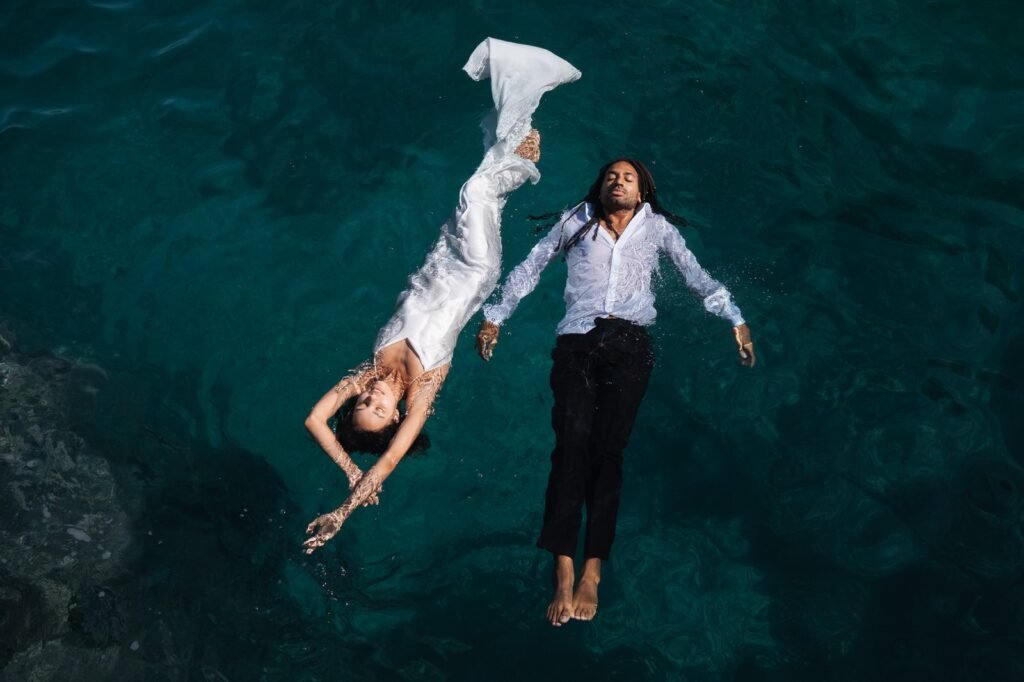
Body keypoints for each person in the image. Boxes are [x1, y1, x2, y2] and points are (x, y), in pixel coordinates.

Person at [303, 39, 580, 554]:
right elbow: (385, 465)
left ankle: (518, 145)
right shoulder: (423, 390)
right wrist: (345, 510)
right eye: (379, 410)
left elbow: (315, 419)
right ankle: (528, 96)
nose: (372, 397)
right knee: (476, 191)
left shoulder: (369, 371)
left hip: (441, 253)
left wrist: (344, 465)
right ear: (395, 419)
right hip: (475, 269)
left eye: (363, 403)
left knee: (484, 185)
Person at [475, 158, 755, 624]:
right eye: (611, 176)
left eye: (628, 178)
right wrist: (496, 313)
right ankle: (562, 565)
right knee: (570, 448)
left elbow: (695, 274)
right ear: (600, 187)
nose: (618, 181)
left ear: (642, 192)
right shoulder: (576, 221)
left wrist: (735, 318)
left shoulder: (658, 228)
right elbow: (533, 263)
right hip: (577, 342)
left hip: (631, 344)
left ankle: (593, 571)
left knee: (607, 453)